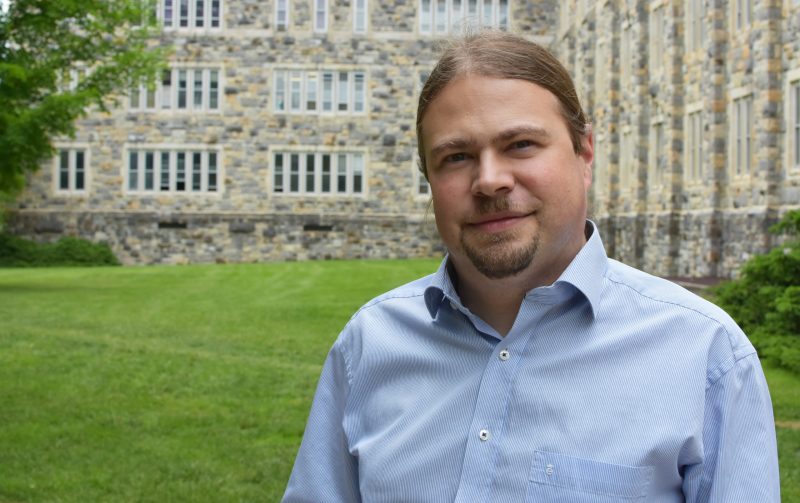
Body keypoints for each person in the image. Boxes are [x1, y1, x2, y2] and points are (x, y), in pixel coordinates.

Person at [282, 31, 780, 502]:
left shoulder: (705, 356)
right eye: (456, 157)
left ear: (584, 153)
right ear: (429, 179)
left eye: (520, 144)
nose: (490, 181)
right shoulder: (369, 345)